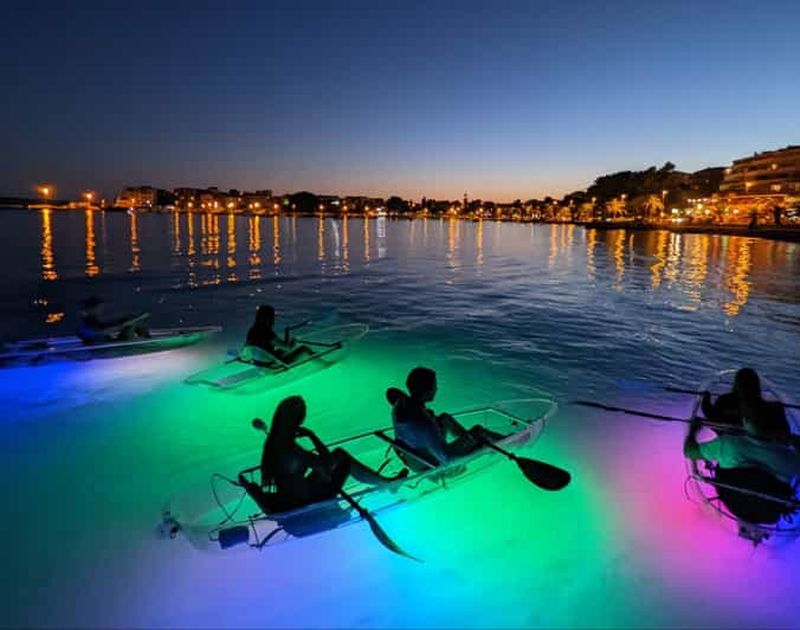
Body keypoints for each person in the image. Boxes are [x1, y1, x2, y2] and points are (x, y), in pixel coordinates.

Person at [258, 396, 407, 511]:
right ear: (298, 419)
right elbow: (326, 464)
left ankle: (385, 483)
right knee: (341, 459)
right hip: (305, 500)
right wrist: (312, 435)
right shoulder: (290, 448)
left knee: (338, 455)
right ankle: (385, 484)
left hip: (292, 496)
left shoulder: (274, 442)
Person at [389, 367, 503, 470]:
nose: (437, 388)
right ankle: (507, 442)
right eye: (434, 386)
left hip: (413, 456)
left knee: (445, 418)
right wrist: (479, 448)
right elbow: (446, 459)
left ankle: (469, 440)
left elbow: (391, 393)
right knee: (479, 431)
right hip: (430, 463)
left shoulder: (401, 403)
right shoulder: (426, 426)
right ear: (427, 390)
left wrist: (425, 412)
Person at [701, 368, 790, 438]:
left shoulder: (724, 400)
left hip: (729, 440)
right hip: (758, 445)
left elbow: (711, 416)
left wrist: (706, 399)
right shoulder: (773, 408)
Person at [241, 305, 312, 365]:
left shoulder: (252, 330)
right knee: (304, 349)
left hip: (260, 363)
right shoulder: (267, 333)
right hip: (273, 364)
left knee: (283, 349)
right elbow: (287, 348)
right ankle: (322, 365)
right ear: (268, 318)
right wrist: (294, 341)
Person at [77, 296, 150, 343]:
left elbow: (105, 326)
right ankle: (147, 341)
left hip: (108, 343)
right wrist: (125, 324)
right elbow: (102, 332)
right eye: (99, 307)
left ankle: (146, 339)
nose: (101, 310)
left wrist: (124, 322)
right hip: (105, 348)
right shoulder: (88, 321)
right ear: (92, 308)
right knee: (133, 322)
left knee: (130, 318)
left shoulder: (92, 320)